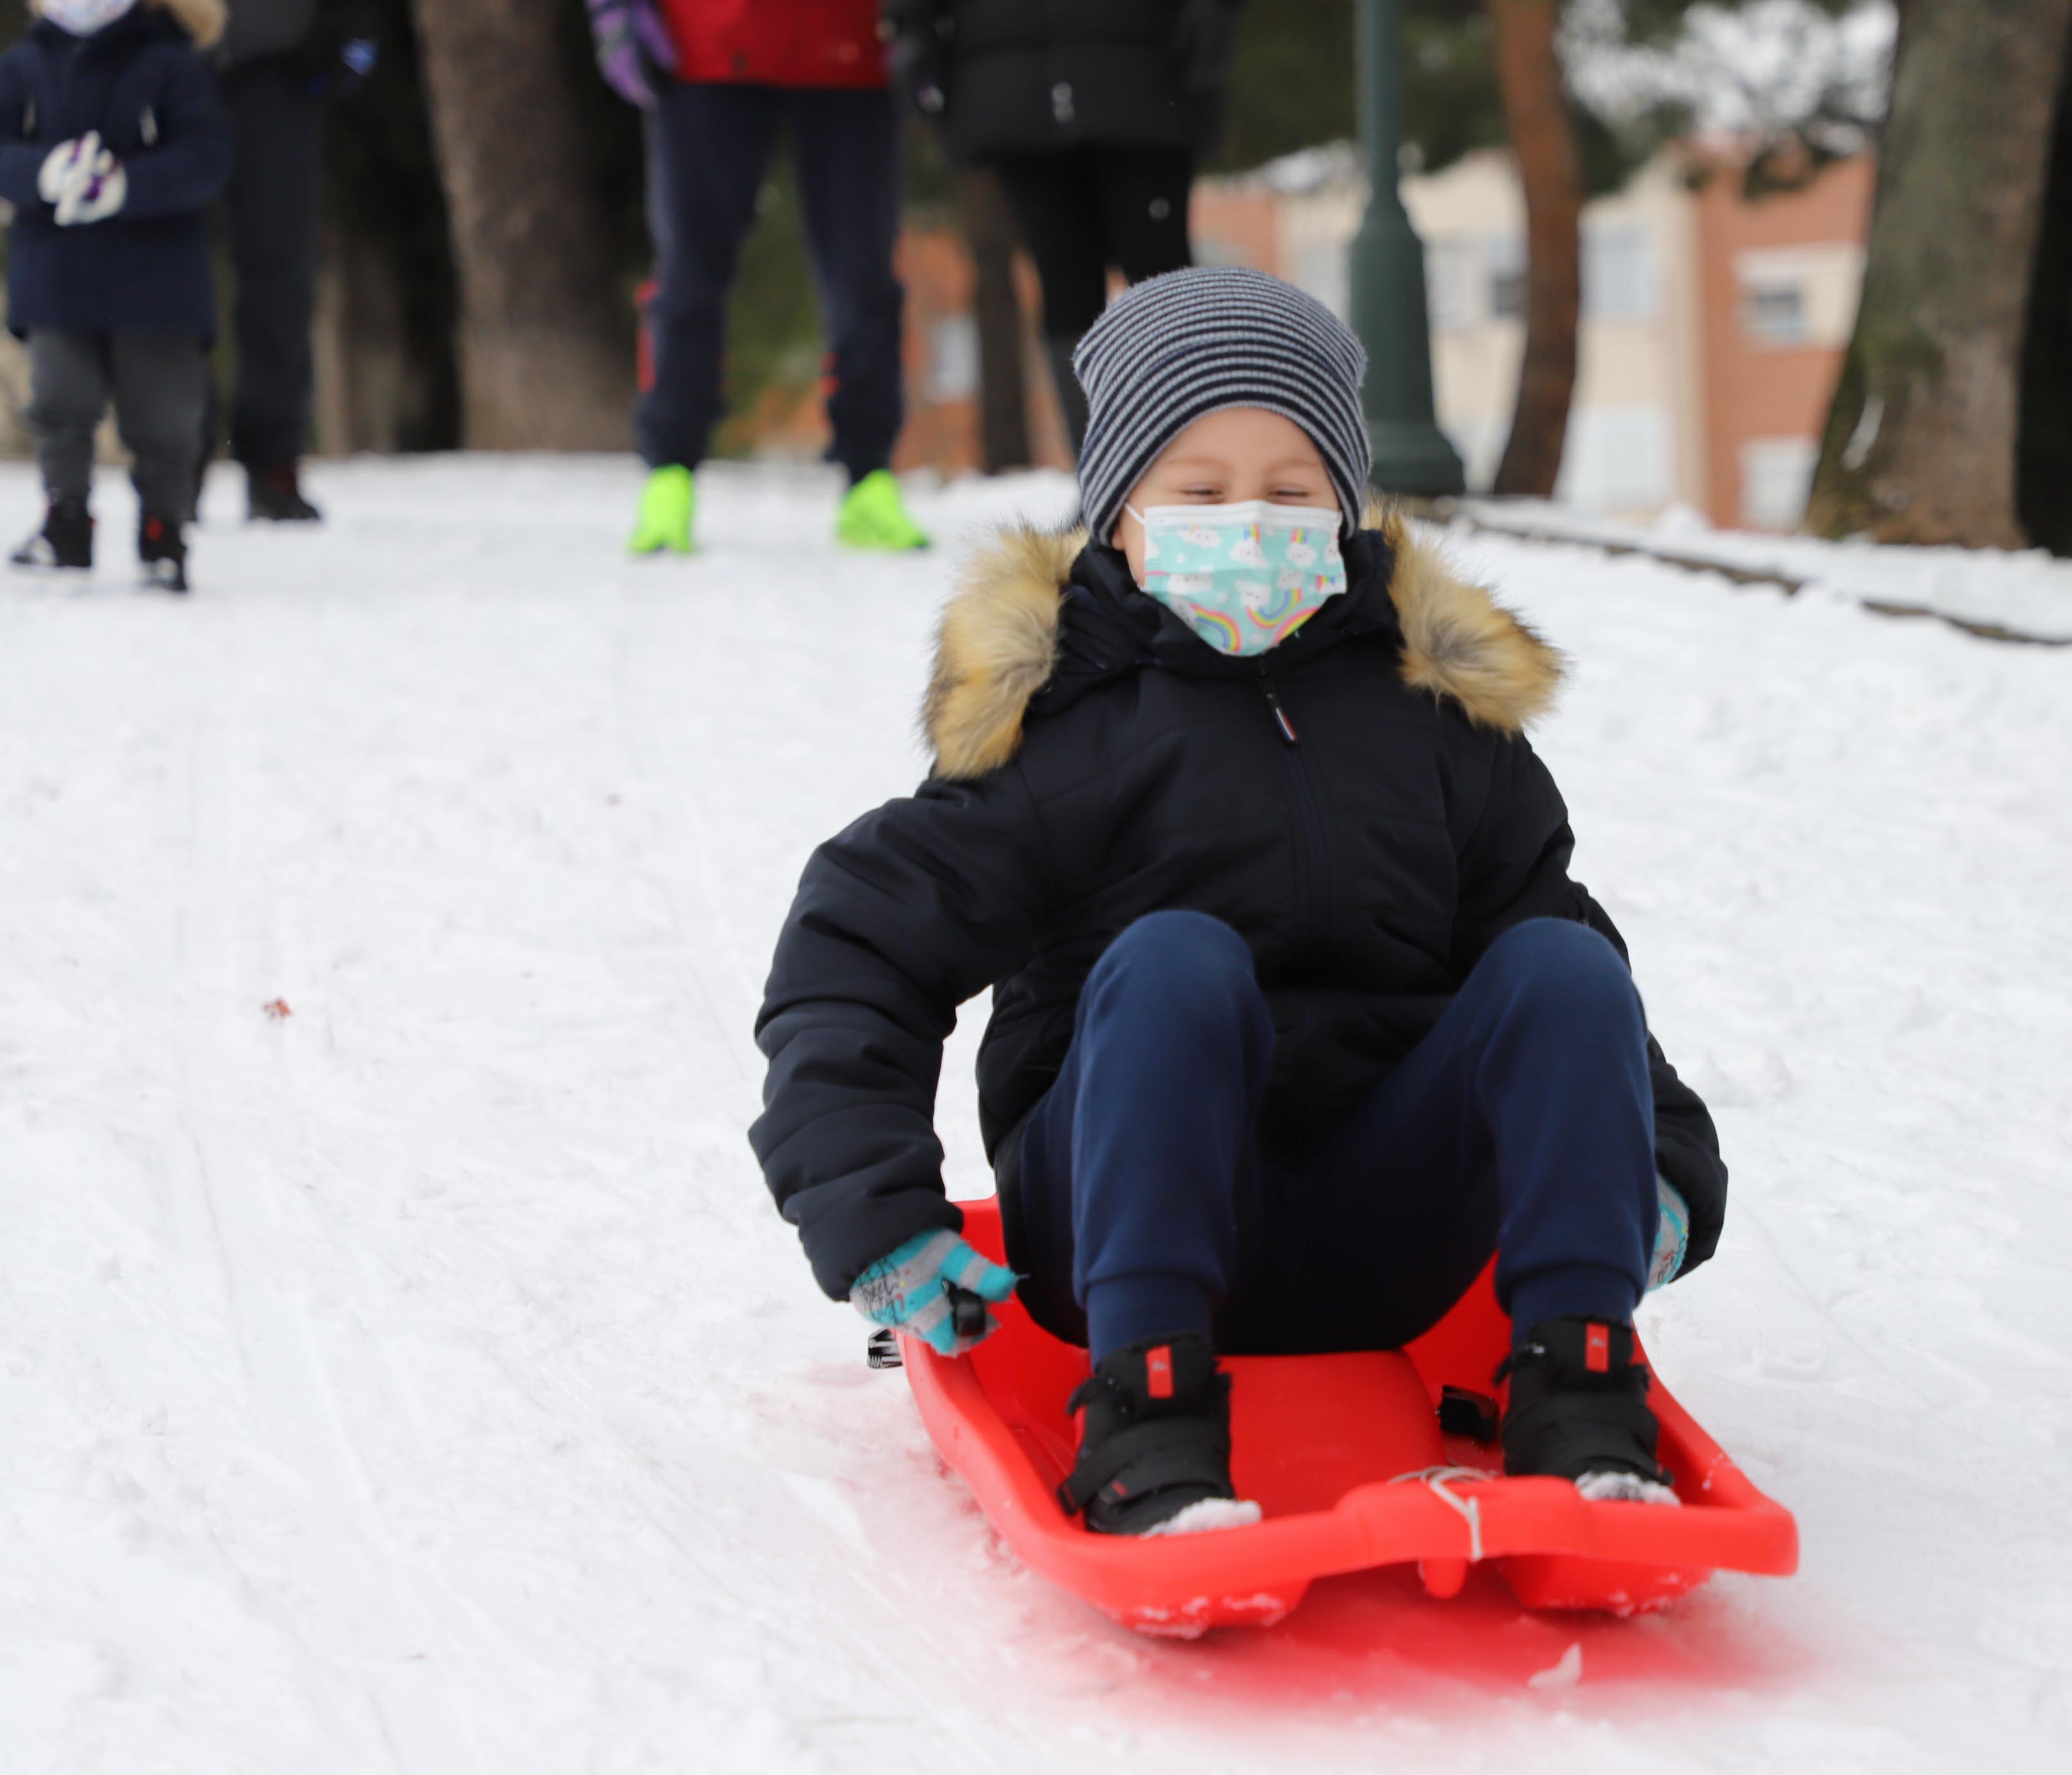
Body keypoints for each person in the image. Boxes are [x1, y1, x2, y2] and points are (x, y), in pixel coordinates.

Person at [751, 268, 1728, 1538]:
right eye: (1199, 493)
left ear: (1345, 507)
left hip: (1385, 1241)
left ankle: (1580, 1396)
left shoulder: (1437, 726)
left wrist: (1656, 1166)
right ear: (1115, 519)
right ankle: (1146, 1426)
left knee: (1554, 958)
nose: (1248, 524)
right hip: (1115, 1232)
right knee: (1173, 961)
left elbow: (1564, 978)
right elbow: (857, 942)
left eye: (1289, 490)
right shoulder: (1063, 733)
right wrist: (877, 1212)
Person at [589, 0, 929, 557]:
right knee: (688, 275)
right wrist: (615, 13)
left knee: (863, 279)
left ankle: (869, 478)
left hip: (850, 49)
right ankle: (668, 474)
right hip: (706, 48)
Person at [888, 0, 1236, 455]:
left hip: (1144, 71)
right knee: (1064, 280)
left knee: (1162, 278)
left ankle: (1197, 464)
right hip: (1014, 83)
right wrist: (912, 27)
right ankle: (1099, 473)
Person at [2, 0, 231, 594]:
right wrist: (44, 174)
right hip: (54, 268)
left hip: (156, 277)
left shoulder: (173, 63)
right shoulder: (23, 65)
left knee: (163, 415)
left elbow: (206, 158)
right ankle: (65, 519)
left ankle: (163, 530)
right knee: (58, 399)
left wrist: (129, 185)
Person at [205, 0, 375, 523]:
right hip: (171, 66)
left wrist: (347, 30)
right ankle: (177, 455)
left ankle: (274, 459)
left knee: (280, 275)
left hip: (278, 73)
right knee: (171, 272)